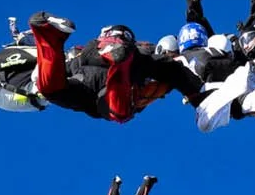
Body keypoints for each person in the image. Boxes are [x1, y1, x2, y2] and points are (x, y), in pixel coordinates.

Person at [26, 13, 206, 121]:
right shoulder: (148, 54)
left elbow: (64, 69)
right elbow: (176, 70)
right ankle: (120, 65)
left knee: (52, 90)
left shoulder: (88, 48)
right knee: (120, 112)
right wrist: (199, 99)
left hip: (85, 84)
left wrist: (39, 79)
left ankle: (48, 35)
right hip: (113, 85)